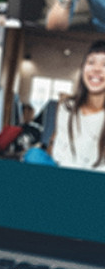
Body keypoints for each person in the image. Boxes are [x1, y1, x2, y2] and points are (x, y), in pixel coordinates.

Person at [50, 40, 105, 172]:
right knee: (33, 155)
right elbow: (59, 152)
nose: (96, 69)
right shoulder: (67, 107)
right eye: (91, 62)